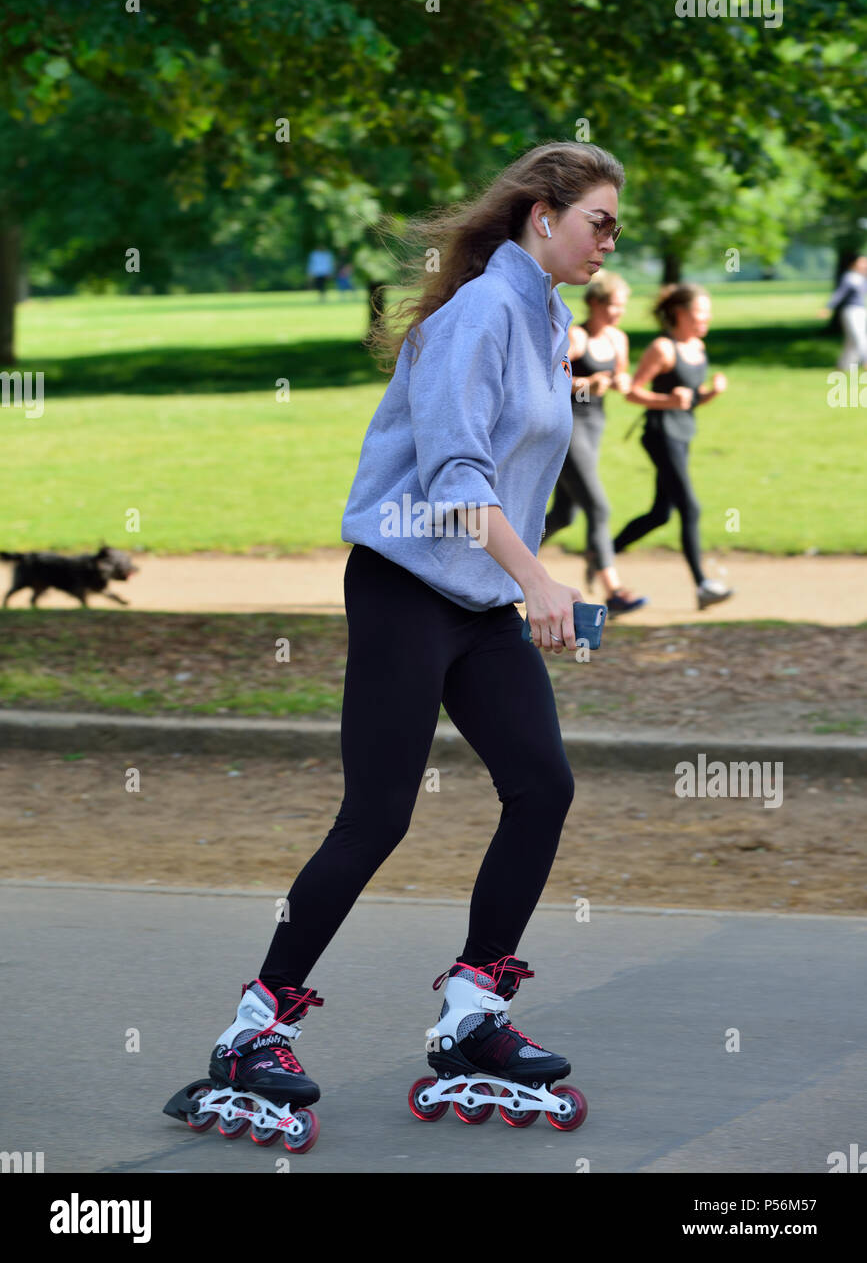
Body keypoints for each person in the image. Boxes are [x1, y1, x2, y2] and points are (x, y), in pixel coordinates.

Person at [186, 142, 625, 1140]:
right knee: (378, 814)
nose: (609, 240)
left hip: (477, 601)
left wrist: (531, 583)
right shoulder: (479, 314)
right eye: (598, 219)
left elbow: (517, 474)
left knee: (541, 784)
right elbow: (457, 474)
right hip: (403, 590)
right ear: (541, 215)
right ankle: (254, 1027)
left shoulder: (545, 318)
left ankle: (475, 1009)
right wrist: (538, 578)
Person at [611, 284, 733, 611]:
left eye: (707, 314)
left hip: (682, 433)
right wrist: (667, 400)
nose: (705, 320)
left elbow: (688, 401)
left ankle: (604, 552)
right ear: (680, 314)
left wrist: (711, 394)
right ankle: (703, 585)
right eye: (699, 314)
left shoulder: (698, 346)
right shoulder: (663, 348)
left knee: (660, 514)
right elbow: (633, 392)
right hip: (660, 434)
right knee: (690, 507)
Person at [544, 270, 648, 616]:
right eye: (613, 306)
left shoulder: (618, 339)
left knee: (565, 514)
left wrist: (620, 381)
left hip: (595, 425)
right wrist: (588, 382)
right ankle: (614, 592)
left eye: (622, 307)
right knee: (599, 507)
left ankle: (499, 559)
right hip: (568, 428)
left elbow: (624, 378)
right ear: (594, 303)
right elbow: (551, 376)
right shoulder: (577, 337)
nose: (618, 313)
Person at [820, 256, 867, 371]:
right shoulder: (850, 277)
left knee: (851, 340)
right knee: (859, 336)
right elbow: (839, 294)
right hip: (851, 310)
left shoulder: (862, 278)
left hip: (861, 310)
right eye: (862, 262)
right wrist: (828, 307)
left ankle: (844, 365)